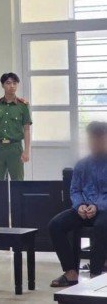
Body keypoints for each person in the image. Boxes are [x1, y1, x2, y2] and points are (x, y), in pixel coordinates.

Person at [48, 121, 107, 286]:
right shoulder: (82, 164)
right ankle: (71, 272)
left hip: (104, 210)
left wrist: (97, 206)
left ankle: (96, 274)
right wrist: (80, 205)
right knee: (55, 225)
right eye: (91, 139)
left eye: (99, 139)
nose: (94, 143)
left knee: (102, 226)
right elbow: (75, 189)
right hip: (84, 210)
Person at [0, 73, 32, 180]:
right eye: (8, 83)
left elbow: (26, 130)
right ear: (3, 85)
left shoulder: (23, 106)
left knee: (18, 181)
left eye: (14, 83)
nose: (12, 86)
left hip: (15, 148)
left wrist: (26, 151)